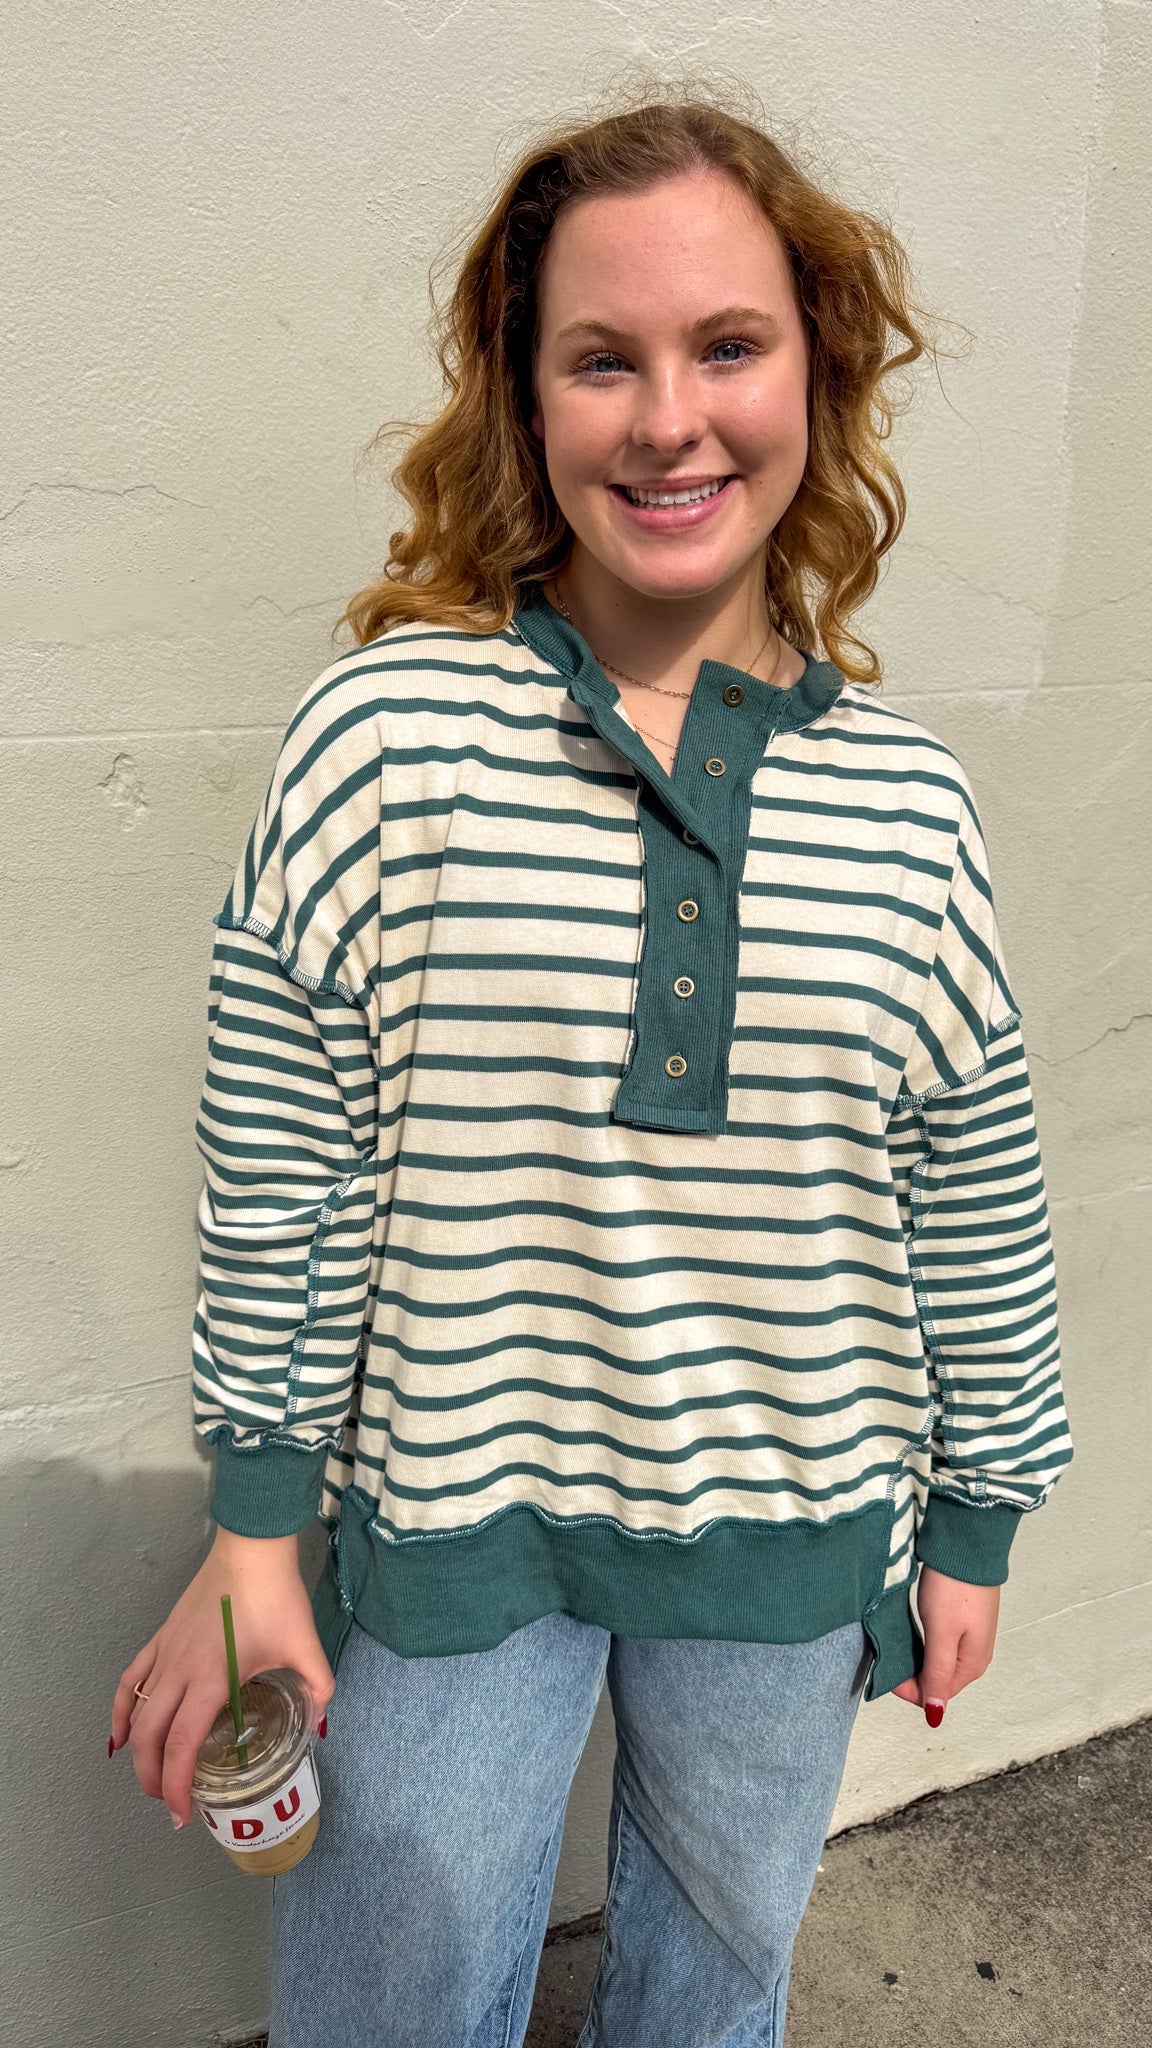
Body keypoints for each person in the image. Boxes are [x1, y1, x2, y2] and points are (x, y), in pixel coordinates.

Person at [109, 86, 1074, 2048]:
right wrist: (254, 1519)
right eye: (601, 358)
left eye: (729, 344)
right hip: (458, 1518)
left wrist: (977, 1512)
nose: (668, 417)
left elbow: (972, 1178)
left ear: (820, 364)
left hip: (800, 1527)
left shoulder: (911, 805)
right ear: (522, 395)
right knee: (390, 1988)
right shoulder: (382, 742)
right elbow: (276, 1161)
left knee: (717, 1989)